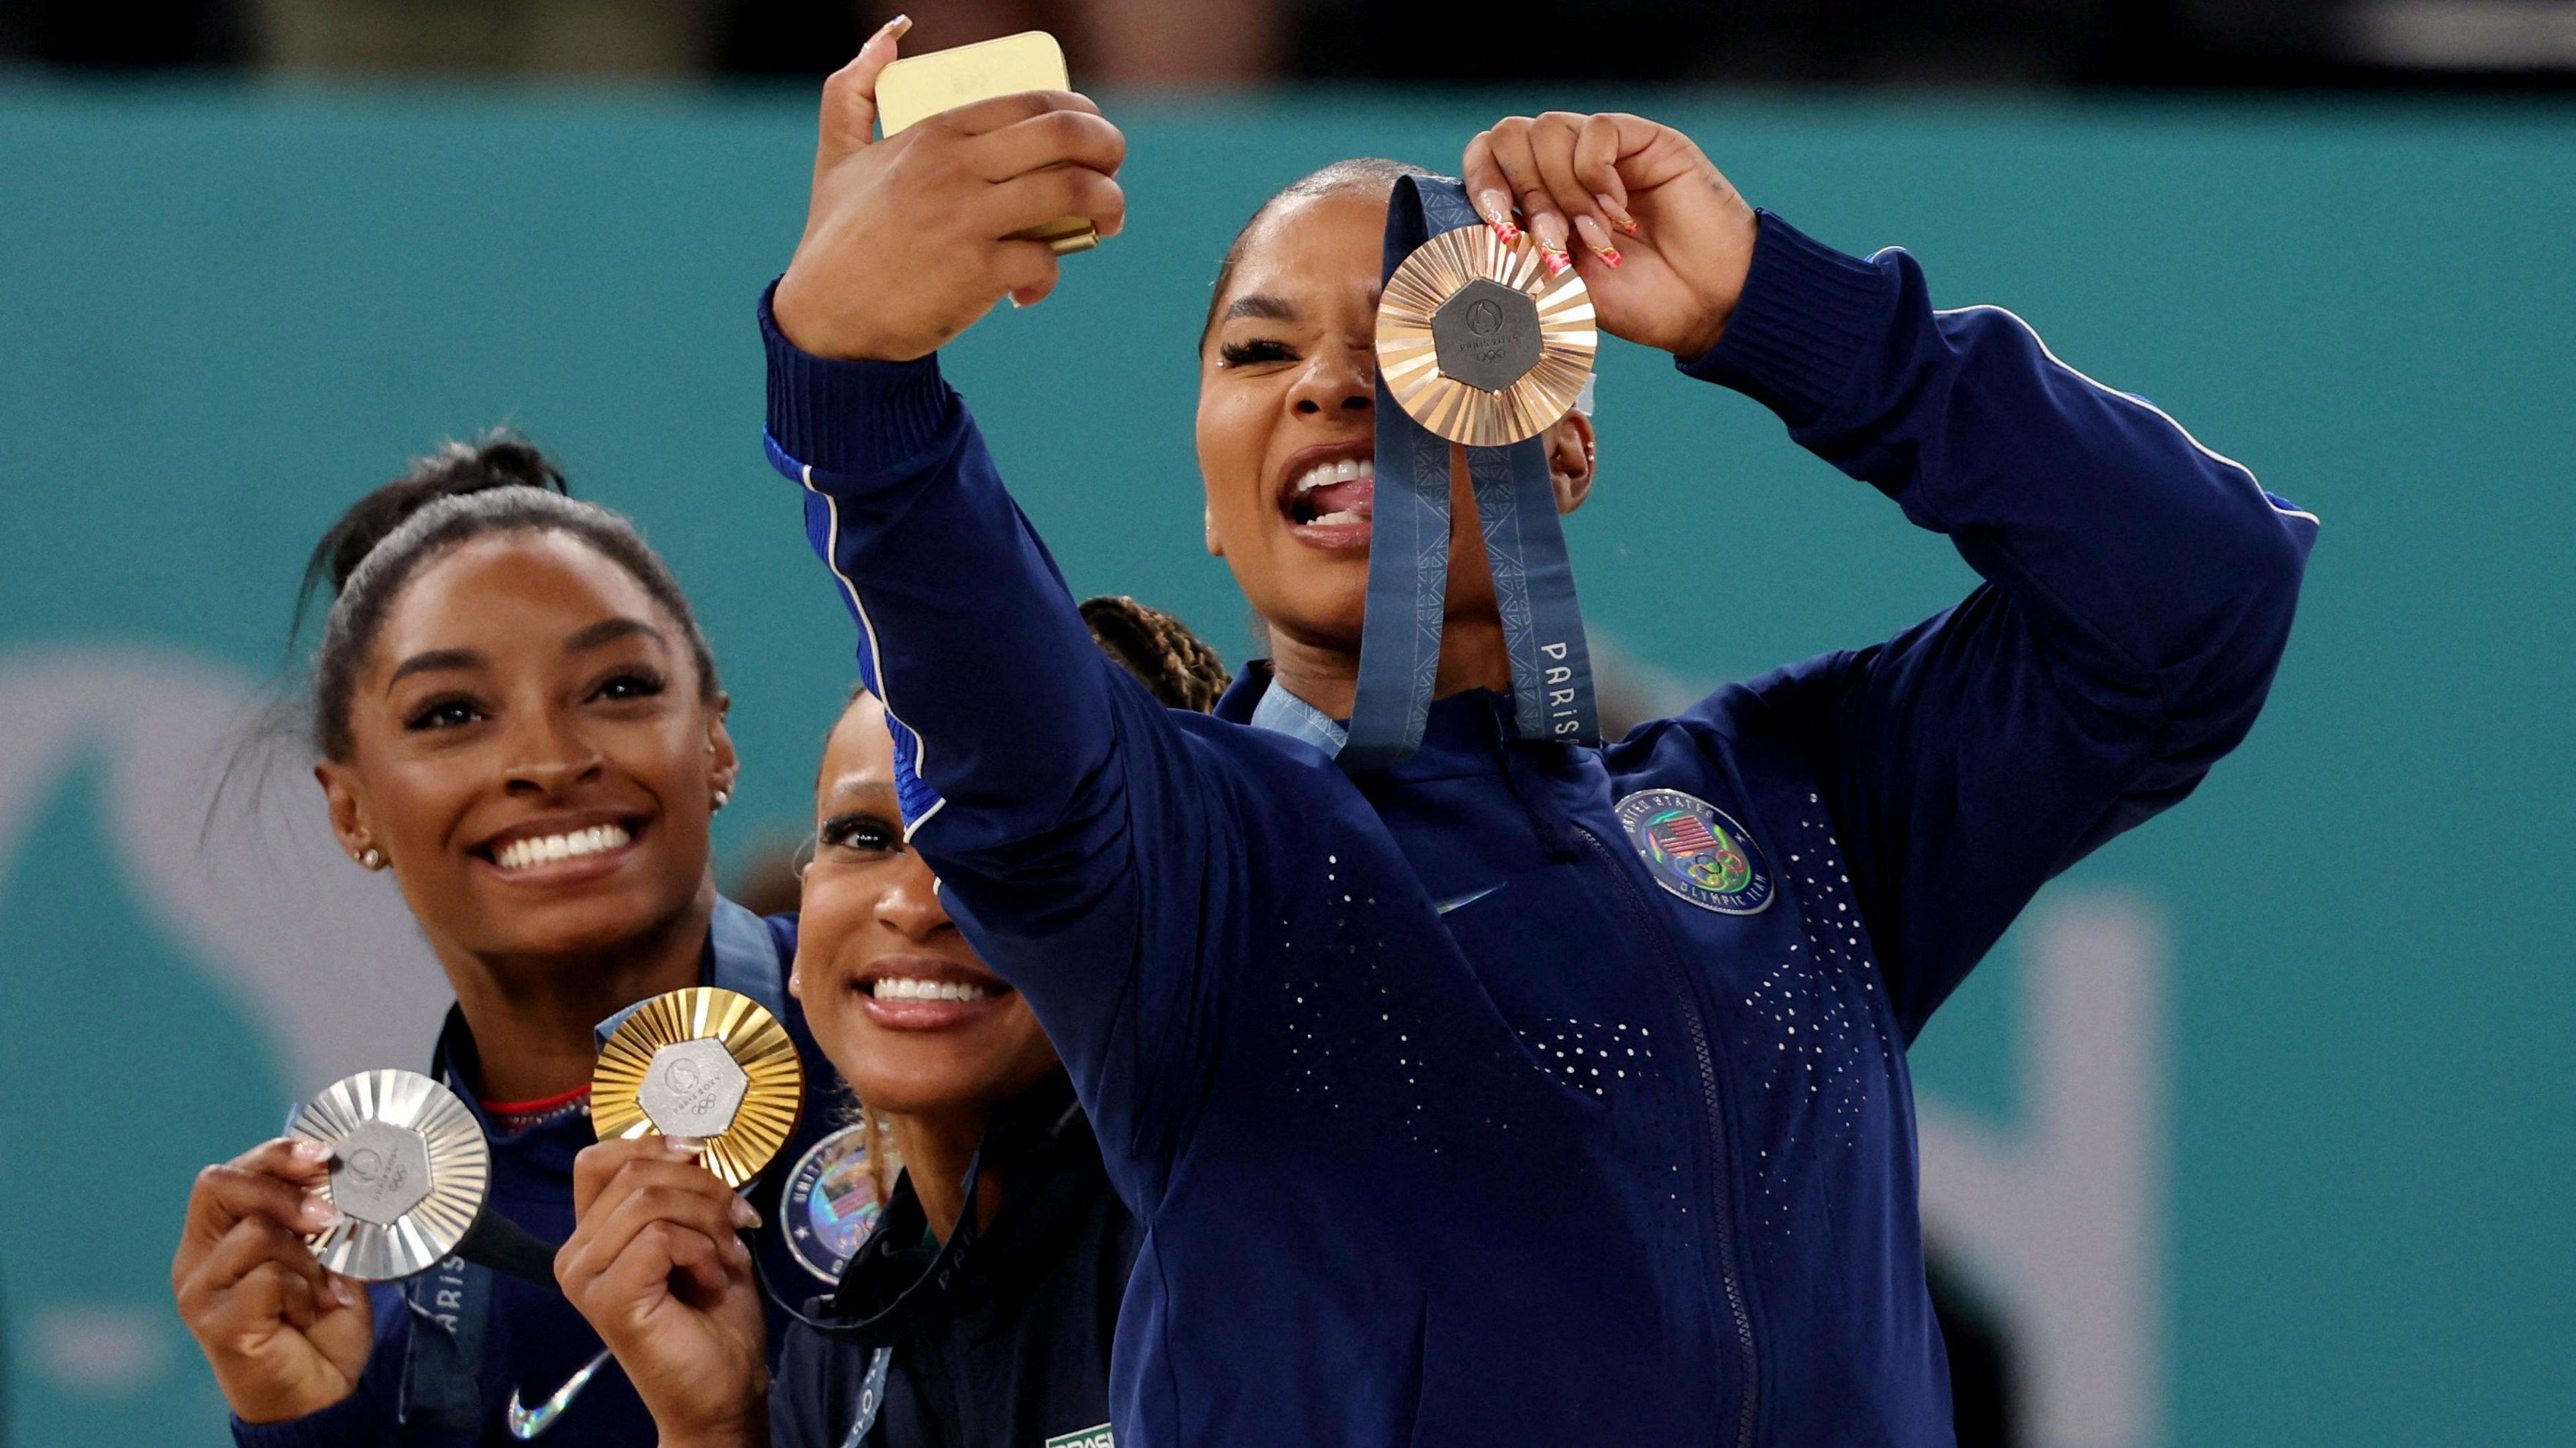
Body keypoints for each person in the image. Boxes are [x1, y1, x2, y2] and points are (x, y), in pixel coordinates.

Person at [753, 24, 2316, 1446]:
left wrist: (1773, 307)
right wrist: (854, 376)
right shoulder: (1178, 867)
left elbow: (2195, 592)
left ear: (1561, 433)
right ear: (1216, 503)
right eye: (1257, 351)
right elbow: (989, 701)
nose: (1328, 384)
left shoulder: (1796, 806)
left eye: (1418, 329)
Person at [170, 439, 851, 1447]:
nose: (547, 760)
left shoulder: (907, 1038)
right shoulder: (343, 1262)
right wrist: (304, 1424)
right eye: (452, 713)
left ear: (714, 742)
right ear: (352, 809)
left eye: (618, 689)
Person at [554, 598, 1230, 1448]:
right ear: (800, 946)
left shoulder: (1239, 1265)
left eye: (1007, 844)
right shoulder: (835, 1364)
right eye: (865, 835)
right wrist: (712, 1424)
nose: (915, 902)